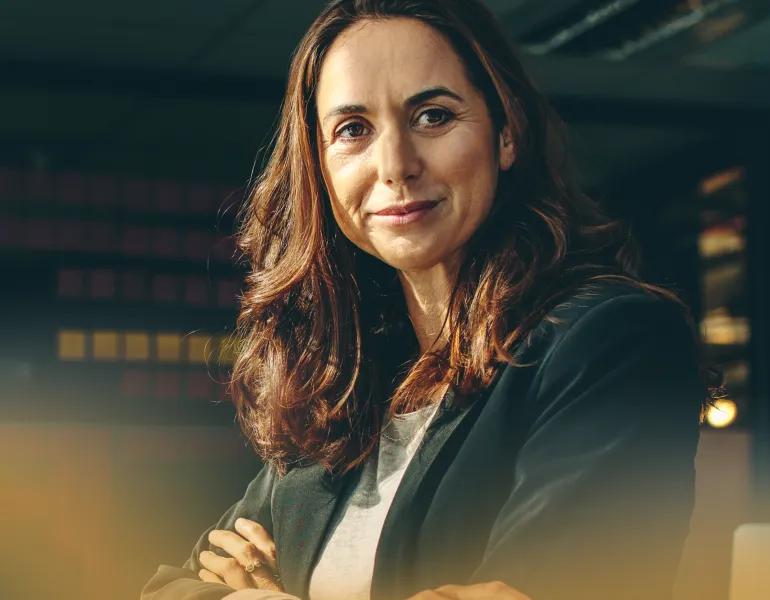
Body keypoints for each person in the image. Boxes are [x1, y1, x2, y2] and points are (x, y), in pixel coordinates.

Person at [142, 1, 716, 599]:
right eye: (353, 129)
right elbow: (167, 589)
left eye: (433, 116)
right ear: (320, 165)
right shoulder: (347, 385)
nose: (395, 165)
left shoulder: (612, 339)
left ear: (506, 133)